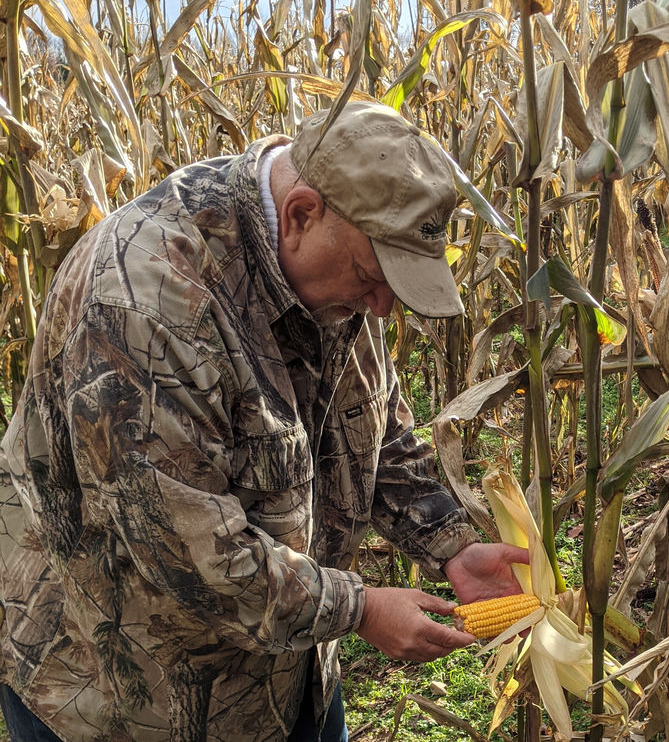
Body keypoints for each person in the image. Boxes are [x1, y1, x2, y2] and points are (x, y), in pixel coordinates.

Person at [0, 101, 528, 741]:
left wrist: (452, 545)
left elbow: (375, 424)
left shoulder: (333, 274)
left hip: (284, 672)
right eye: (372, 276)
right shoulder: (147, 303)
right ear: (303, 213)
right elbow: (191, 558)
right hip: (124, 696)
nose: (384, 305)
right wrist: (357, 608)